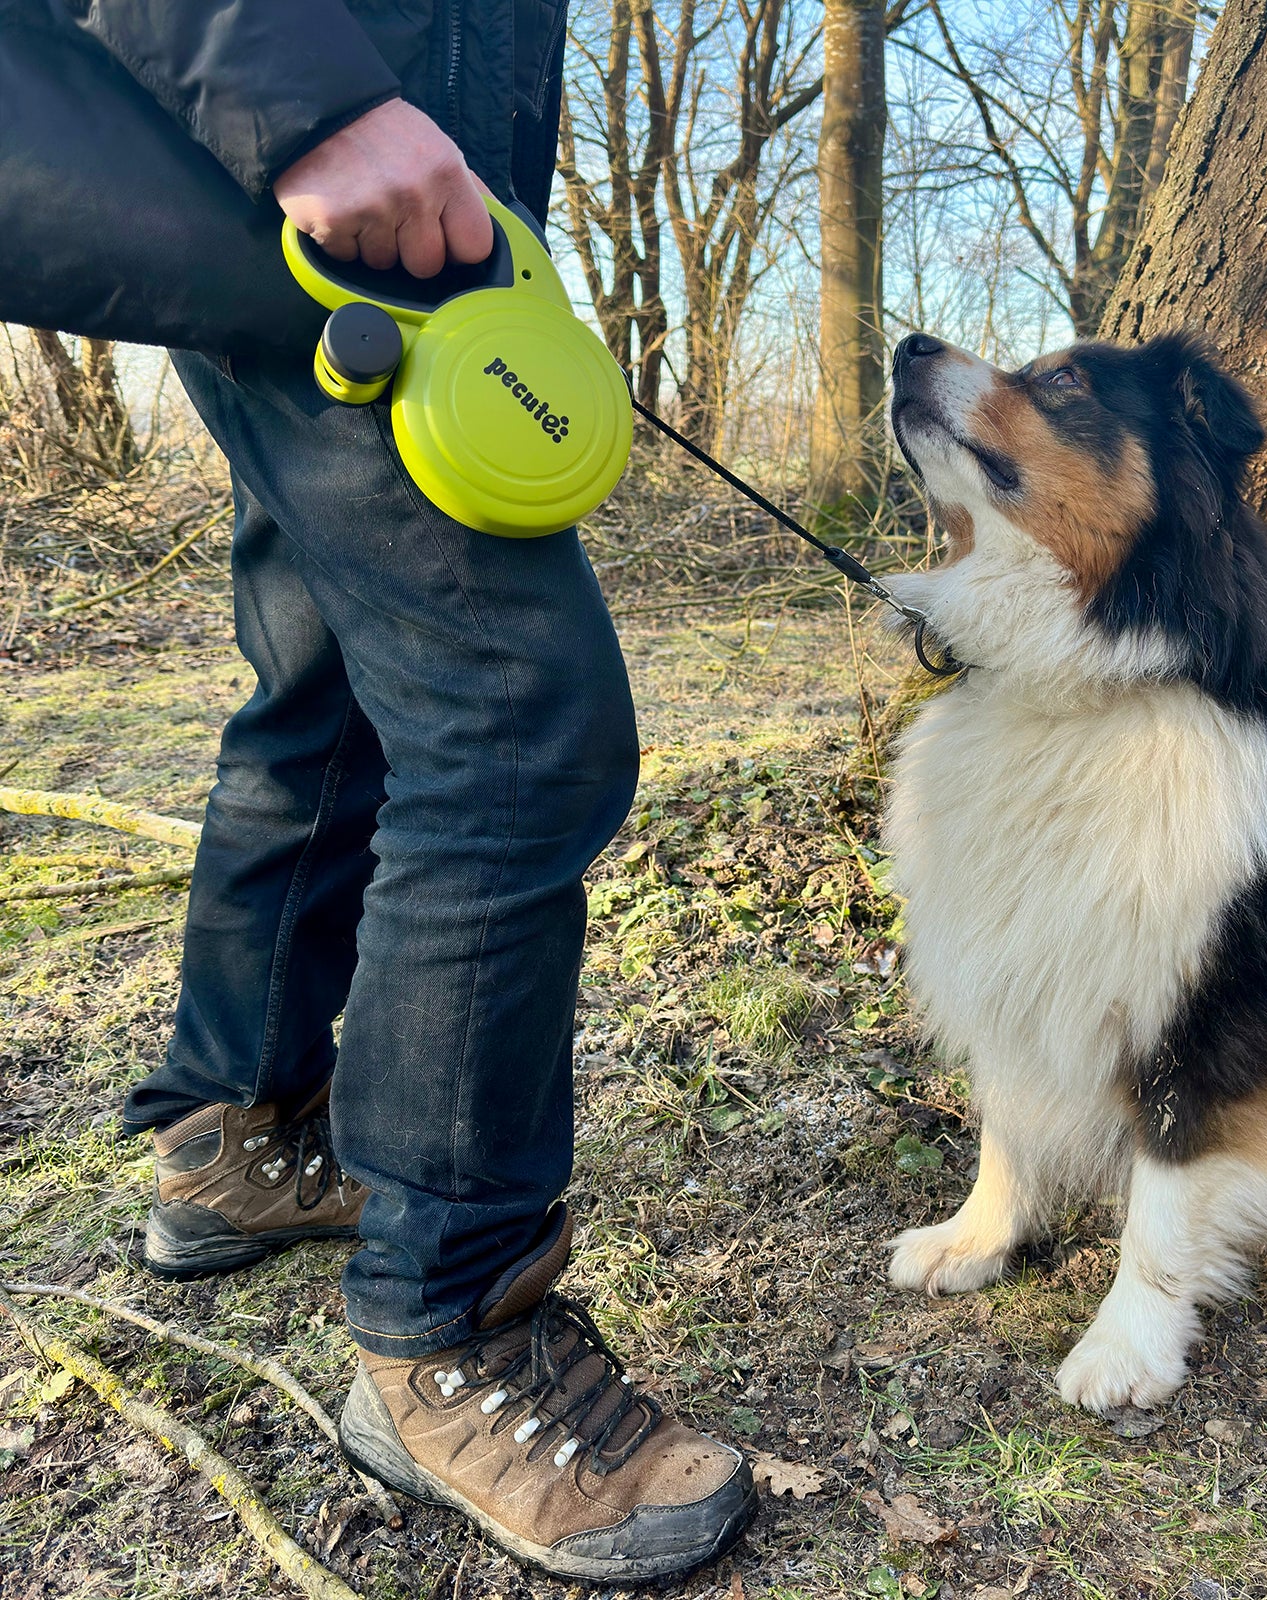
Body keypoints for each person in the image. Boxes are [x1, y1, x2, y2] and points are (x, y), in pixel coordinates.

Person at [70, 1, 755, 1583]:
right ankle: (450, 1330)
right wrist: (308, 106)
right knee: (519, 728)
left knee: (322, 702)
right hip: (319, 187)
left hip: (353, 208)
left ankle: (235, 1140)